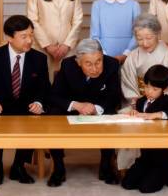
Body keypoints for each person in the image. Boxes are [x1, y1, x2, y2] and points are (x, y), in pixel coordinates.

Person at [0, 15, 51, 185]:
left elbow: (44, 89)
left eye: (31, 35)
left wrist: (39, 103)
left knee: (38, 117)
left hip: (25, 107)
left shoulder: (39, 58)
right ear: (9, 37)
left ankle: (18, 166)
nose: (29, 40)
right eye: (24, 36)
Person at [48, 39, 122, 187]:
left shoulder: (112, 64)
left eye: (98, 61)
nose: (95, 68)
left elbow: (114, 96)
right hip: (74, 107)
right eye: (89, 63)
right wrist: (76, 105)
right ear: (78, 62)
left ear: (102, 56)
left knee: (110, 113)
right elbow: (54, 95)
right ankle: (58, 167)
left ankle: (106, 166)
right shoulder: (68, 65)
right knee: (53, 113)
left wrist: (95, 108)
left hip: (98, 107)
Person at [117, 13, 168, 170]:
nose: (144, 42)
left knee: (162, 119)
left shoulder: (167, 53)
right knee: (126, 118)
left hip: (162, 102)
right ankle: (129, 166)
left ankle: (162, 167)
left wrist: (156, 100)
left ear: (157, 34)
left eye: (149, 37)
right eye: (140, 38)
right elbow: (128, 81)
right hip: (138, 101)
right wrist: (137, 101)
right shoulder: (133, 56)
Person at [26, 0, 83, 79]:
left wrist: (66, 45)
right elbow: (32, 19)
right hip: (42, 48)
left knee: (65, 85)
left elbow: (78, 20)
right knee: (43, 83)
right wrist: (47, 45)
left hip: (67, 50)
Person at [121, 65, 168, 193]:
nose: (149, 91)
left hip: (162, 156)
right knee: (127, 184)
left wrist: (155, 115)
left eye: (154, 89)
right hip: (145, 155)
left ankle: (167, 172)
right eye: (146, 86)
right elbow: (139, 117)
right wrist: (134, 113)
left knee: (145, 188)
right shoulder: (141, 102)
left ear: (165, 89)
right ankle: (147, 173)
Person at [90, 0, 141, 64]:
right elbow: (94, 36)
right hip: (103, 57)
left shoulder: (134, 5)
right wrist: (105, 55)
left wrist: (125, 54)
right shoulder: (97, 5)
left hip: (130, 56)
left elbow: (137, 34)